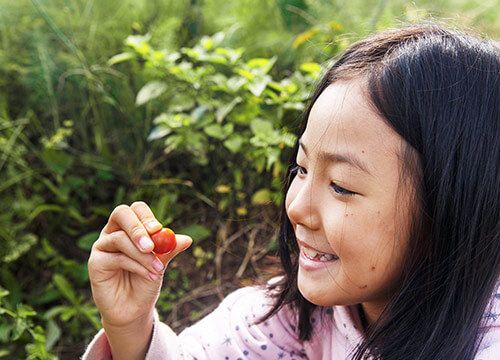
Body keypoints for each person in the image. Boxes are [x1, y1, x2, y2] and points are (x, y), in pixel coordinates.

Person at [82, 23, 499, 359]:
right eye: (301, 167)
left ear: (447, 212)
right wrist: (132, 328)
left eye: (340, 186)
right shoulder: (303, 315)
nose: (298, 207)